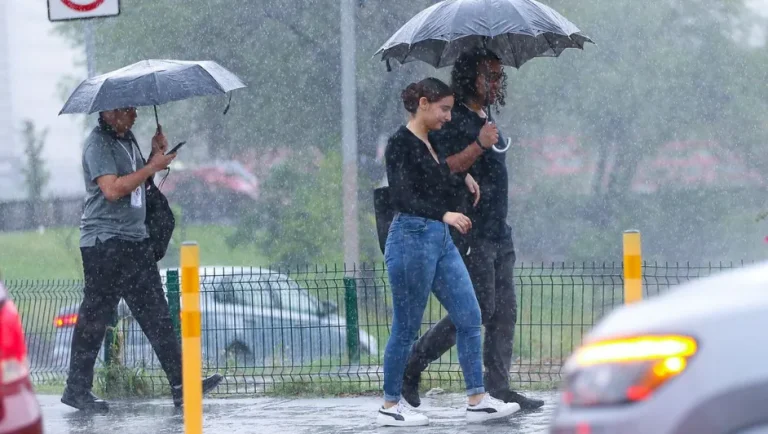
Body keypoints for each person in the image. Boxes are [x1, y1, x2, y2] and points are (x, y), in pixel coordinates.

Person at [400, 49, 546, 411]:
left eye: (499, 76)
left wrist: (487, 137)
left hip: (500, 231)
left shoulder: (488, 119)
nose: (496, 83)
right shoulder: (455, 120)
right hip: (472, 232)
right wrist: (480, 143)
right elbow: (446, 169)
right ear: (470, 77)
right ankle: (413, 363)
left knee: (504, 311)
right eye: (489, 76)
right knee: (477, 309)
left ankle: (499, 388)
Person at [377, 78, 520, 427]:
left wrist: (464, 177)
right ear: (423, 104)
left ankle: (477, 399)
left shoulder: (430, 142)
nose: (447, 116)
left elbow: (436, 177)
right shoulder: (400, 143)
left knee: (470, 314)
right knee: (406, 327)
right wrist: (444, 214)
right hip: (412, 238)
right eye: (443, 109)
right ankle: (390, 405)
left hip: (440, 240)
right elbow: (402, 196)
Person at [62, 107, 223, 412]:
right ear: (110, 112)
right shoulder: (98, 144)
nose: (134, 115)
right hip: (105, 243)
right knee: (95, 317)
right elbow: (112, 189)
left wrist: (154, 156)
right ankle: (76, 389)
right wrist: (152, 168)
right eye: (128, 110)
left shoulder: (129, 138)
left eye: (136, 109)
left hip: (135, 241)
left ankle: (182, 386)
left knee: (157, 316)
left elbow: (138, 182)